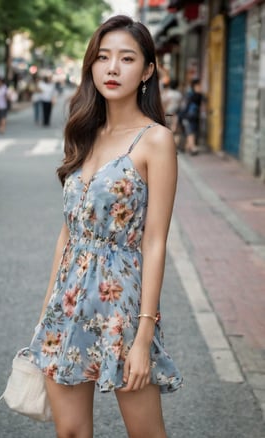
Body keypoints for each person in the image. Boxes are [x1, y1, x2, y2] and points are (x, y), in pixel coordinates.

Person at [29, 15, 182, 438]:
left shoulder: (155, 141)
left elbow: (154, 241)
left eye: (127, 58)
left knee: (145, 434)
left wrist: (144, 335)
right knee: (71, 433)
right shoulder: (84, 132)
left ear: (148, 70)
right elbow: (68, 233)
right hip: (68, 302)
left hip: (124, 309)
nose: (112, 68)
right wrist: (46, 315)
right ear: (91, 66)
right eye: (103, 57)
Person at [179, 78, 202, 155]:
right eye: (199, 85)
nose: (200, 87)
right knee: (190, 132)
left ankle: (188, 147)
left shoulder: (189, 94)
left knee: (190, 132)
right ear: (195, 86)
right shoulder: (195, 95)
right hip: (189, 117)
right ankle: (192, 148)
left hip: (189, 117)